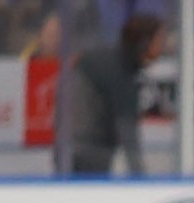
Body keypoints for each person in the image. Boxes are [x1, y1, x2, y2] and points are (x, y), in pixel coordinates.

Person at [66, 12, 158, 174]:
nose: (161, 48)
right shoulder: (121, 72)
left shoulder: (114, 62)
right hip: (89, 148)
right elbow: (128, 133)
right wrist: (140, 177)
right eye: (158, 41)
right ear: (144, 43)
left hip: (77, 146)